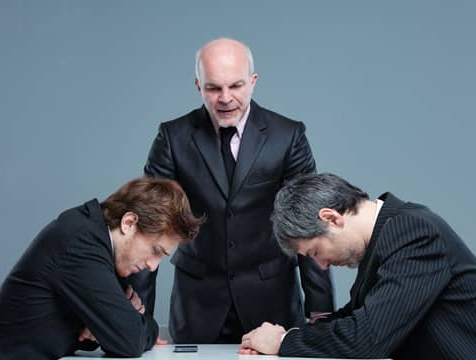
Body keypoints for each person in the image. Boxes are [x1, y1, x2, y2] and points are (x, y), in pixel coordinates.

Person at [138, 37, 334, 343]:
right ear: (198, 86)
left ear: (253, 82)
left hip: (272, 302)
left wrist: (321, 311)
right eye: (213, 88)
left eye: (236, 86)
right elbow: (147, 226)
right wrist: (137, 319)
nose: (225, 98)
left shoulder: (288, 136)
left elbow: (309, 223)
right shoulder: (172, 138)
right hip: (196, 304)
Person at [239, 173, 476, 359]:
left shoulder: (414, 232)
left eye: (316, 251)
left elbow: (367, 338)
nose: (323, 265)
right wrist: (281, 336)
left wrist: (285, 341)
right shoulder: (386, 240)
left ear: (331, 218)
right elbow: (353, 320)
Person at [0, 177, 203, 359]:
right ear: (129, 223)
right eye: (155, 250)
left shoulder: (100, 244)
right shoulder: (81, 243)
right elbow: (130, 339)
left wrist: (108, 326)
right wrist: (126, 326)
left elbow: (121, 333)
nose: (152, 267)